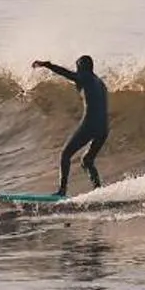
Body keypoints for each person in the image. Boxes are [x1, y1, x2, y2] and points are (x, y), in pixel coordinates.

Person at [33, 54, 109, 195]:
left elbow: (67, 74)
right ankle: (99, 190)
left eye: (78, 68)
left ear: (83, 68)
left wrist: (47, 65)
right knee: (87, 161)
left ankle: (62, 191)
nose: (77, 71)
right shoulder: (100, 83)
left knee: (65, 154)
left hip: (90, 124)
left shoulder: (84, 77)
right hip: (104, 128)